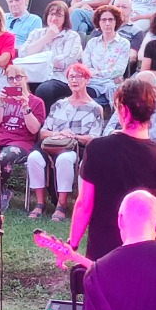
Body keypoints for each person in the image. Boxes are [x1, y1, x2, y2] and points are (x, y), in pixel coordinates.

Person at [68, 77, 156, 260]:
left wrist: (72, 243)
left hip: (104, 247)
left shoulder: (97, 148)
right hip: (147, 247)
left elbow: (84, 204)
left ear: (123, 110)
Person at [27, 64, 104, 220]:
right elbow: (43, 132)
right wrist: (58, 133)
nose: (74, 80)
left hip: (75, 148)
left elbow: (94, 137)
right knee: (33, 157)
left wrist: (73, 136)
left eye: (78, 76)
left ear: (87, 80)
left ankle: (62, 205)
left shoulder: (95, 108)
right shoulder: (59, 104)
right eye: (71, 77)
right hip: (52, 144)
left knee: (65, 159)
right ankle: (40, 203)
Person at [0, 71, 45, 213]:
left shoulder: (37, 102)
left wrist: (25, 107)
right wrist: (0, 103)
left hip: (21, 142)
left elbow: (34, 130)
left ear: (26, 78)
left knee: (5, 156)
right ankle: (1, 192)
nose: (15, 81)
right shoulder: (4, 100)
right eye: (11, 78)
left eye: (18, 77)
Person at [27, 1, 87, 109]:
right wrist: (46, 38)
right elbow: (25, 54)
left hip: (60, 79)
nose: (54, 18)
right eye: (52, 14)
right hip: (35, 76)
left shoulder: (72, 37)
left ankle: (45, 123)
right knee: (16, 86)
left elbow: (65, 62)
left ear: (65, 19)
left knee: (44, 89)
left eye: (59, 15)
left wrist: (38, 60)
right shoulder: (36, 33)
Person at [81, 5, 132, 102]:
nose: (107, 23)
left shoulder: (123, 43)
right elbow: (86, 66)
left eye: (111, 20)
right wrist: (95, 75)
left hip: (111, 84)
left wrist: (96, 73)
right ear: (98, 22)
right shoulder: (92, 42)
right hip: (91, 82)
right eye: (103, 20)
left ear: (116, 21)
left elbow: (119, 70)